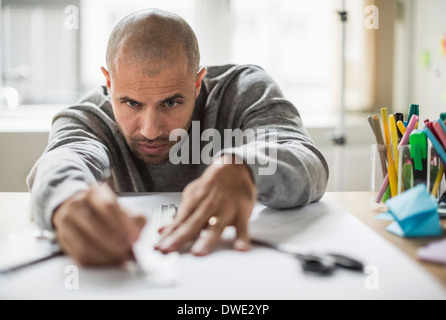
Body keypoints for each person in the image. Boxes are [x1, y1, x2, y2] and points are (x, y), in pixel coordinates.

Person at [27, 8, 329, 266]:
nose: (150, 130)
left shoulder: (244, 91)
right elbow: (60, 161)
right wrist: (66, 200)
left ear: (197, 83)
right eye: (131, 103)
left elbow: (307, 159)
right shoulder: (89, 118)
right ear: (109, 82)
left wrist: (246, 167)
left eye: (171, 103)